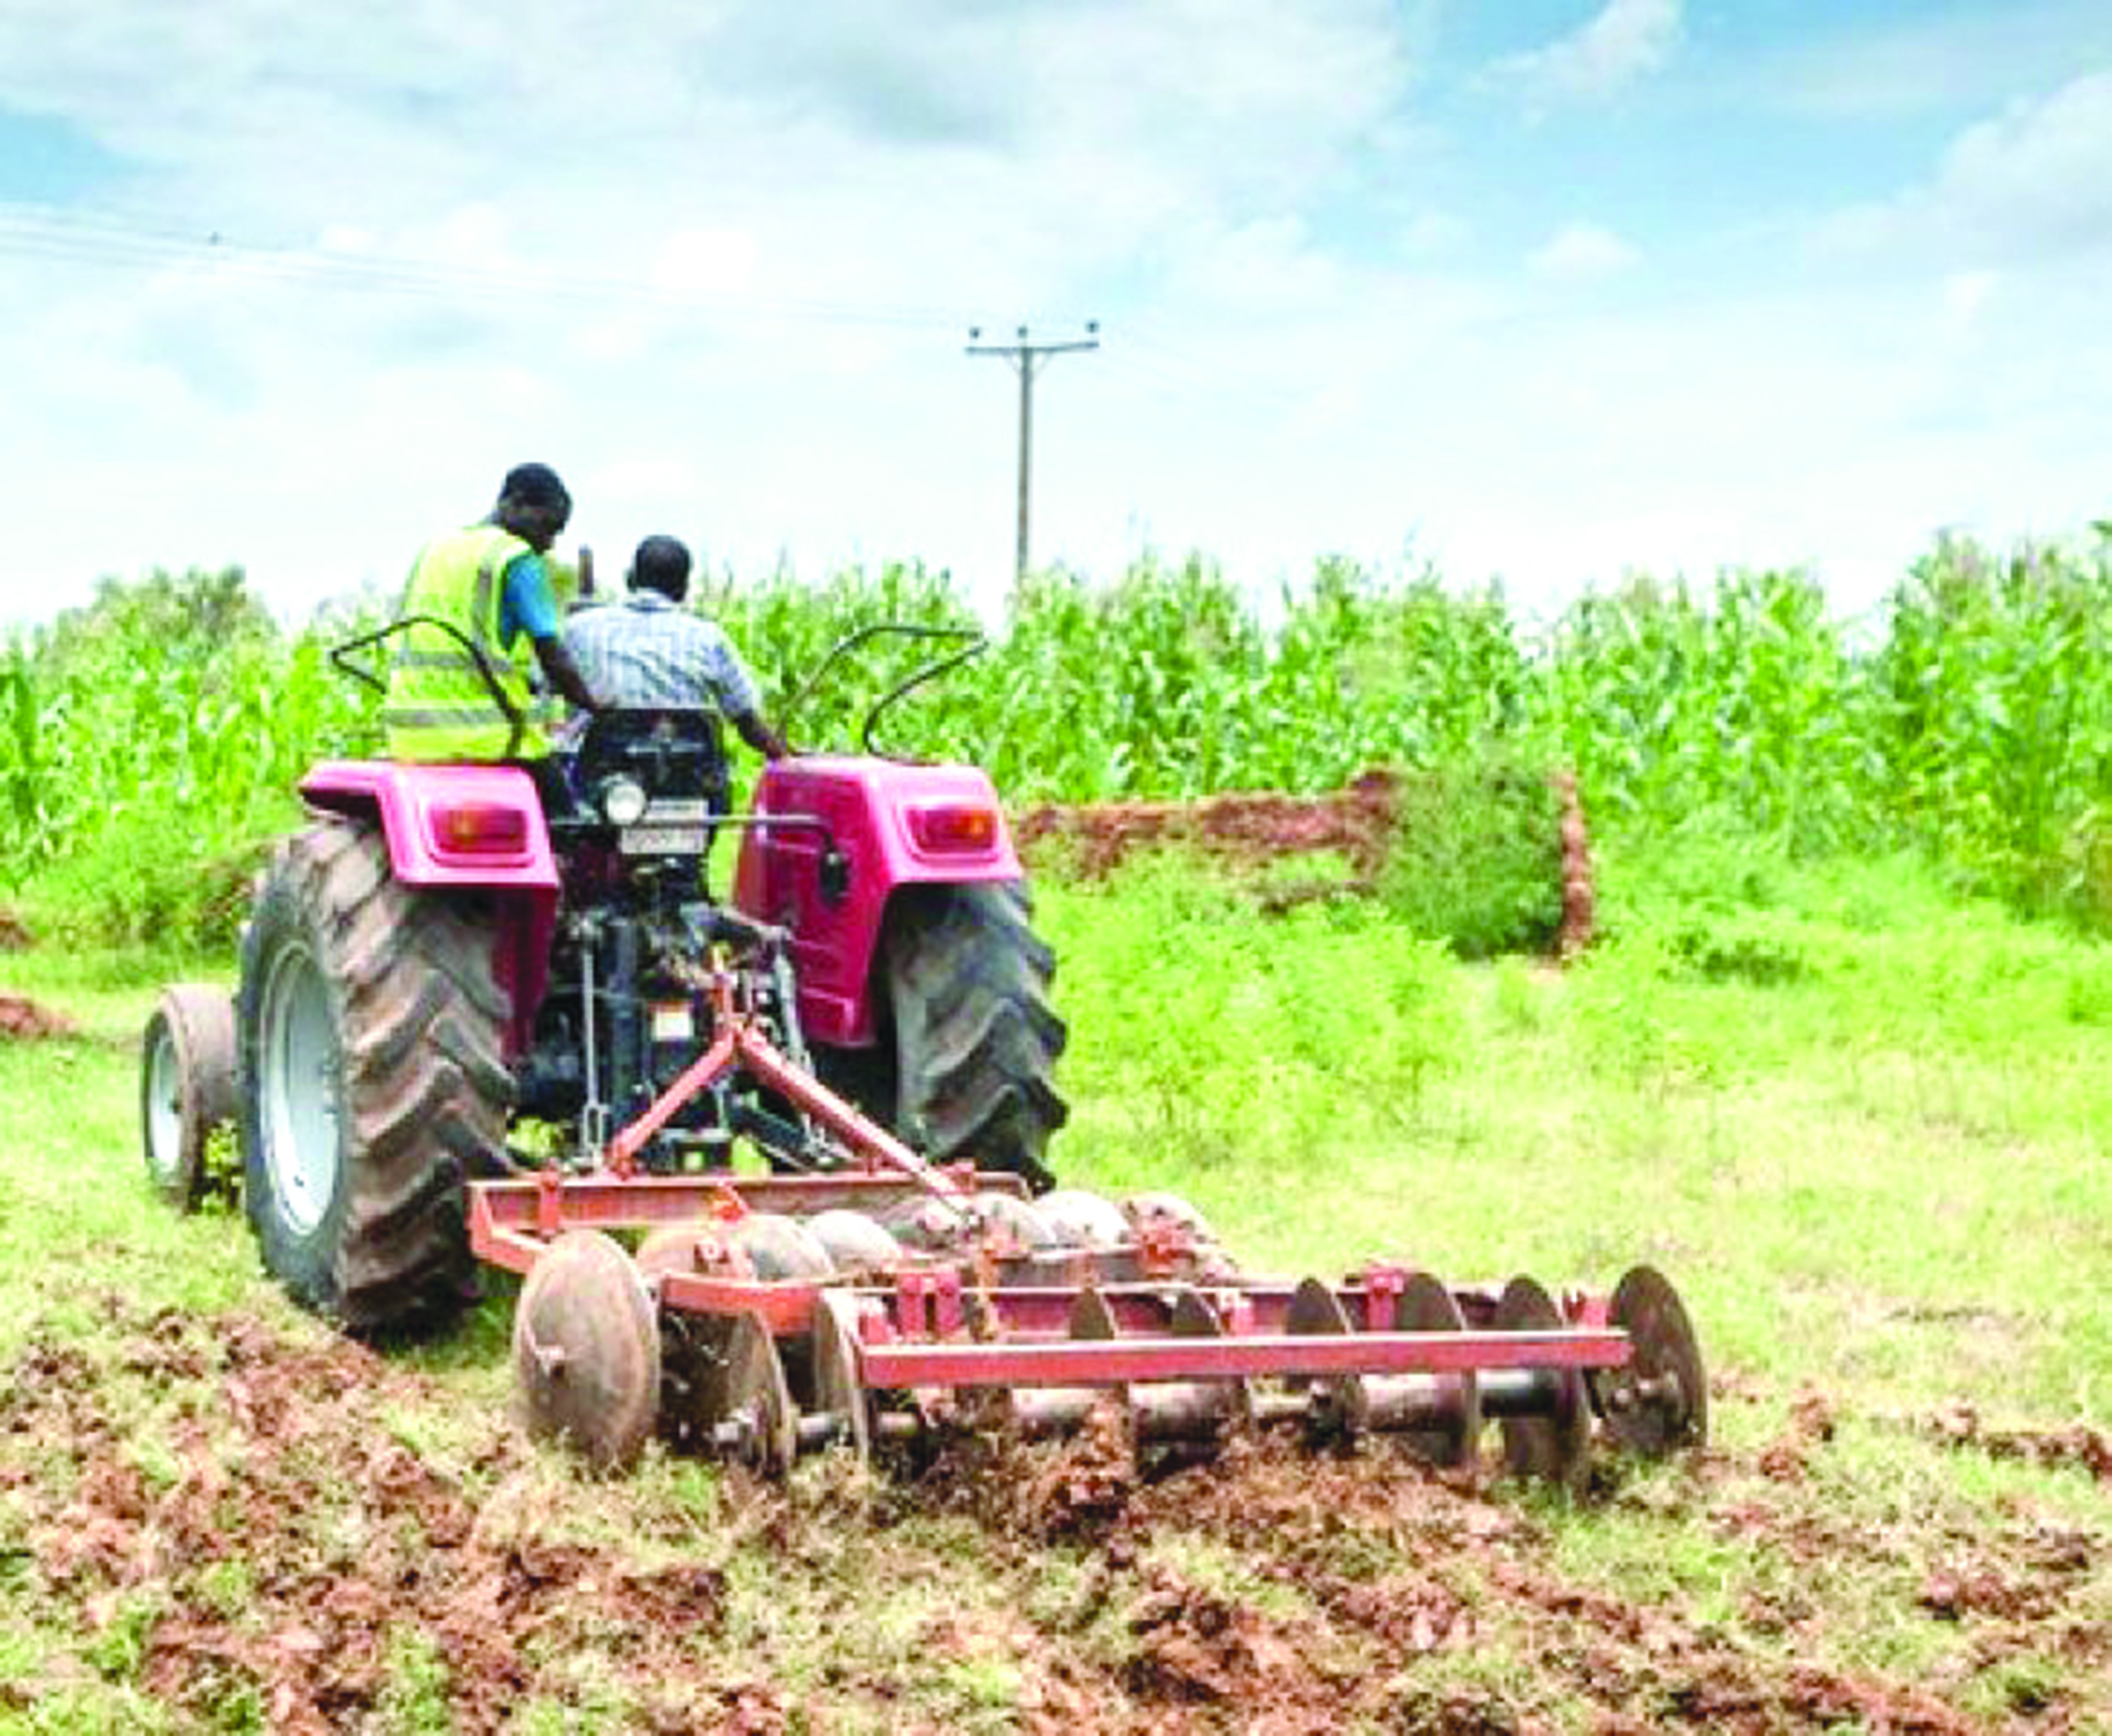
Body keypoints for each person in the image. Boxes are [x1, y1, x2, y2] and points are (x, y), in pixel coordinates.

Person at [383, 463, 605, 782]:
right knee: (571, 820)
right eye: (547, 527)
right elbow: (552, 655)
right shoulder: (514, 557)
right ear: (514, 503)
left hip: (408, 735)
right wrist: (594, 705)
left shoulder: (435, 549)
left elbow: (456, 645)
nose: (549, 543)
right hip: (485, 736)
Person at [563, 534, 790, 760]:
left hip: (602, 768)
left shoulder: (578, 628)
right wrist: (785, 756)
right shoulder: (709, 638)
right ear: (683, 588)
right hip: (690, 774)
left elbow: (544, 685)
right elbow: (746, 719)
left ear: (631, 579)